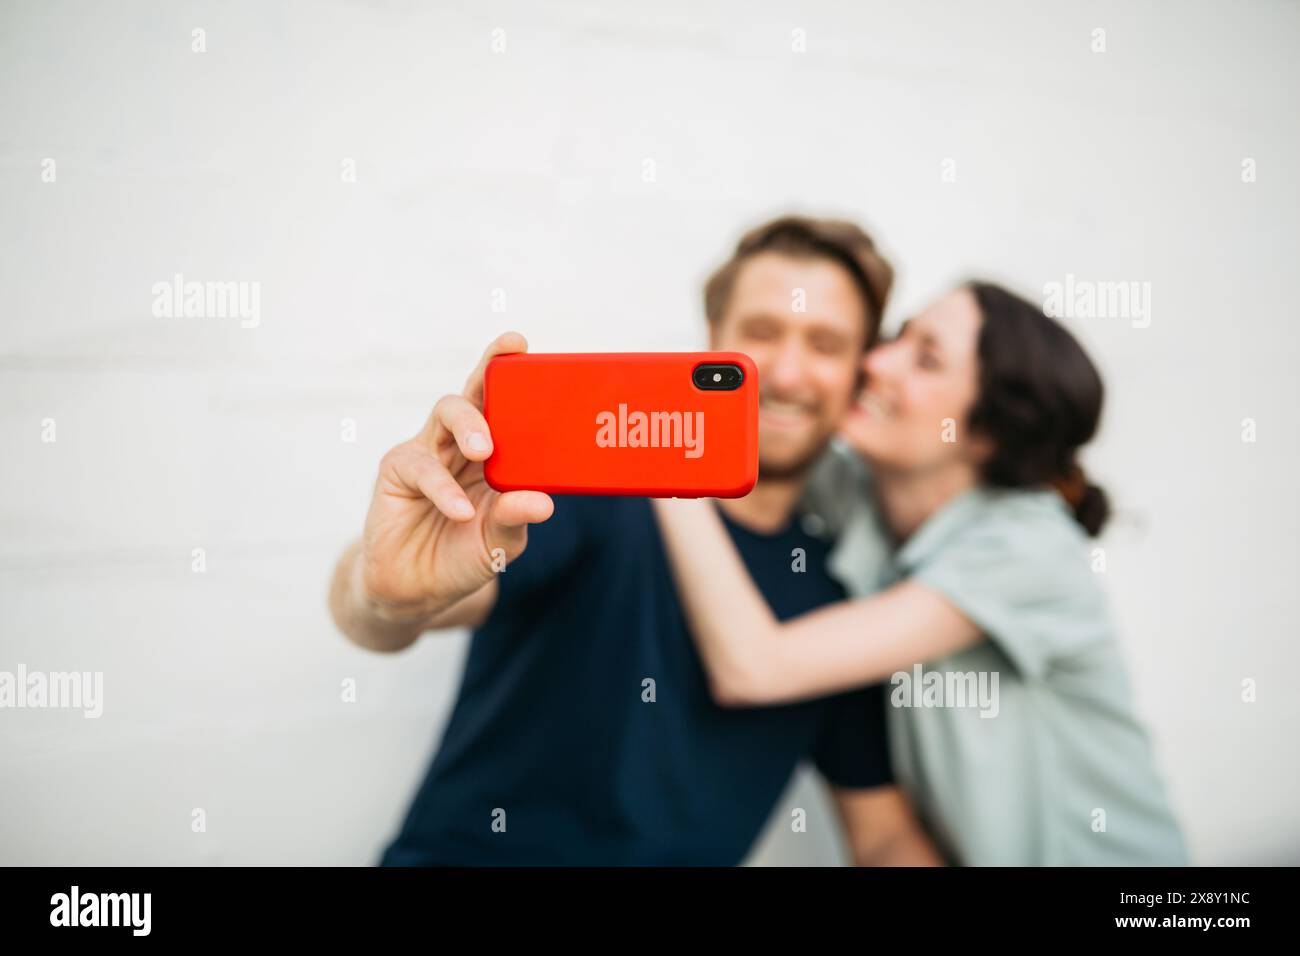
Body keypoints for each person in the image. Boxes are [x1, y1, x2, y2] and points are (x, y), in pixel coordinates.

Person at [328, 216, 941, 865]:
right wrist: (383, 593)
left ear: (859, 373)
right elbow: (396, 612)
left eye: (825, 343)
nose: (788, 374)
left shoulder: (839, 595)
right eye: (762, 333)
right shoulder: (588, 497)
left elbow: (883, 837)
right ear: (712, 344)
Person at [650, 281, 1188, 865]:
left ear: (989, 432)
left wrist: (659, 467)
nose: (875, 361)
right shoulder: (857, 492)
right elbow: (758, 442)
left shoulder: (1026, 549)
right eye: (898, 336)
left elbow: (755, 668)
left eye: (926, 359)